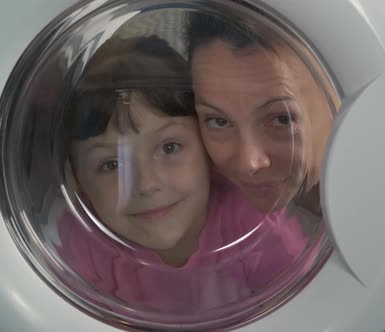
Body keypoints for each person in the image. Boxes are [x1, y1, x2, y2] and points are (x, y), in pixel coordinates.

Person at [186, 11, 385, 332]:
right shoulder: (196, 162)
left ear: (336, 95)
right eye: (218, 121)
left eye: (281, 118)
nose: (247, 162)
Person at [55, 35, 318, 314]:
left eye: (170, 147)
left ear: (206, 151)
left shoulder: (257, 229)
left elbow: (302, 315)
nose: (146, 184)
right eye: (111, 164)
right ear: (78, 182)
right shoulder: (82, 244)